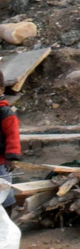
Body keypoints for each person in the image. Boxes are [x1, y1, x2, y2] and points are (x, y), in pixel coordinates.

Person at [0, 72, 19, 211]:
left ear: (1, 89)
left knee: (4, 191)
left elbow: (13, 135)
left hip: (1, 162)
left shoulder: (5, 112)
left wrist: (11, 157)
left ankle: (8, 217)